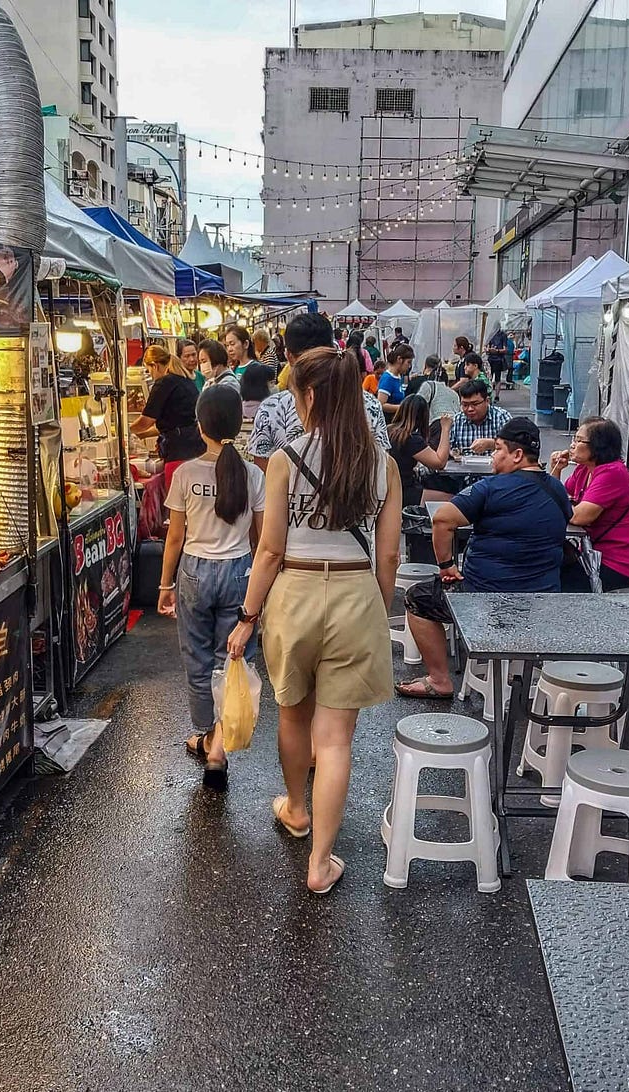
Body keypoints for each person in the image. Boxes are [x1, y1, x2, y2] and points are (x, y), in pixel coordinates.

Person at [226, 345, 402, 895]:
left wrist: (247, 616)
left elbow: (269, 551)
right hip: (356, 591)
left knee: (292, 714)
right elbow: (389, 554)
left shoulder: (286, 458)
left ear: (308, 396)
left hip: (295, 594)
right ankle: (320, 863)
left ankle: (296, 810)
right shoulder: (383, 463)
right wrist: (375, 607)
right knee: (336, 739)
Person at [397, 417, 570, 699]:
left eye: (498, 449)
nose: (493, 455)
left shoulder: (491, 488)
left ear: (517, 455)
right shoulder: (557, 489)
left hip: (485, 599)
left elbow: (442, 519)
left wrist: (446, 566)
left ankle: (439, 680)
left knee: (417, 598)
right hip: (545, 601)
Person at [158, 385, 266, 791]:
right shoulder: (253, 474)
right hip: (240, 572)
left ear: (200, 425)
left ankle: (206, 735)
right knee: (233, 659)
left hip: (194, 573)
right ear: (238, 424)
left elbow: (174, 538)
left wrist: (165, 584)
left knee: (198, 658)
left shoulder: (185, 474)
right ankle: (218, 744)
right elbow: (261, 540)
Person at [247, 313, 389, 469]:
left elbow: (262, 467)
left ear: (289, 356)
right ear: (333, 349)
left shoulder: (271, 408)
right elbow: (381, 464)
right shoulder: (369, 404)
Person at [549, 416, 629, 591]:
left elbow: (579, 517)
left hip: (625, 561)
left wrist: (560, 505)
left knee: (556, 579)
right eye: (574, 438)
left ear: (598, 446)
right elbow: (559, 497)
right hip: (597, 551)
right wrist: (556, 470)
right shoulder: (584, 469)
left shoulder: (612, 473)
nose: (572, 445)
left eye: (579, 440)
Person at [418, 378, 514, 501]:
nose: (469, 409)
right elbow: (445, 452)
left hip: (496, 480)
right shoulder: (456, 420)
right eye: (465, 405)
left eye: (475, 404)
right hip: (463, 482)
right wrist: (452, 453)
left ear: (487, 401)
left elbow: (516, 447)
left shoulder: (502, 417)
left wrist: (493, 444)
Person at [133, 344, 205, 490]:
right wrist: (143, 435)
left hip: (178, 452)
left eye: (149, 370)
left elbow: (146, 421)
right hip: (196, 449)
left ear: (155, 366)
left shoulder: (164, 383)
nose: (151, 375)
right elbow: (173, 422)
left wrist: (126, 431)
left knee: (176, 499)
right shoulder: (185, 381)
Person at [387, 394, 452, 509]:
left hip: (389, 488)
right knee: (452, 499)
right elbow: (439, 463)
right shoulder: (410, 438)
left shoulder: (389, 430)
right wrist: (445, 428)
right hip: (404, 491)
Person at [375, 343, 414, 417]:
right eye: (408, 362)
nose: (409, 366)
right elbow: (381, 404)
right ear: (399, 359)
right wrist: (403, 407)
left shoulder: (399, 376)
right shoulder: (387, 378)